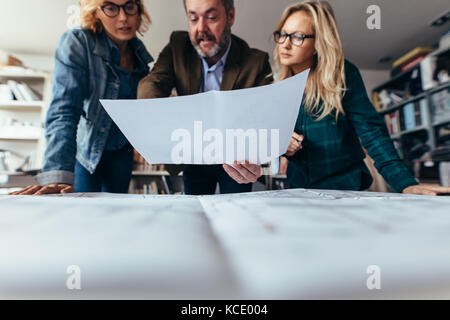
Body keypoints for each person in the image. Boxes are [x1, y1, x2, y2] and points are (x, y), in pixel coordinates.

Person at [273, 1, 450, 196]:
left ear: (317, 44)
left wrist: (405, 183)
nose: (285, 44)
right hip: (299, 191)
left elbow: (372, 133)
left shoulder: (343, 74)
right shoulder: (278, 88)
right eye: (282, 34)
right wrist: (282, 144)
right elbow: (271, 142)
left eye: (298, 37)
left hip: (346, 189)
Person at [10, 0, 153, 195]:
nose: (123, 17)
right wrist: (56, 176)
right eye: (111, 8)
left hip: (122, 155)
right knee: (80, 211)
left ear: (138, 10)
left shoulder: (140, 54)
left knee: (115, 215)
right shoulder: (77, 42)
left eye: (129, 7)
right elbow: (64, 111)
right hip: (86, 154)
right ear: (95, 12)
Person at [138, 0, 273, 195]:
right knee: (194, 211)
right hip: (194, 154)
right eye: (193, 19)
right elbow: (151, 85)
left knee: (237, 212)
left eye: (211, 18)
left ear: (230, 16)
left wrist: (257, 155)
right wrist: (160, 126)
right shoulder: (178, 46)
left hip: (235, 157)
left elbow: (264, 117)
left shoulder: (256, 61)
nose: (201, 28)